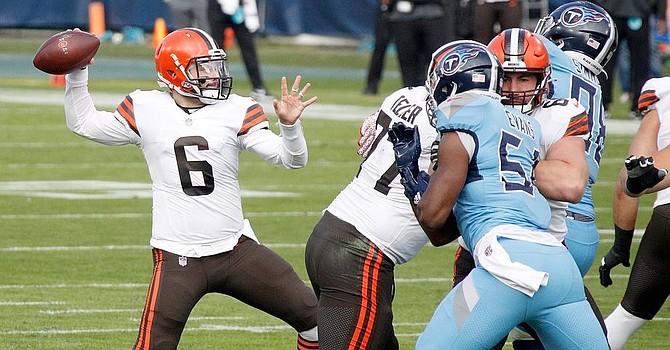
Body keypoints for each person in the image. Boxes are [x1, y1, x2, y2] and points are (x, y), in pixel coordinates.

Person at [62, 27, 319, 350]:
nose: (214, 75)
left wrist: (290, 126)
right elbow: (83, 123)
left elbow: (291, 160)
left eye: (215, 66)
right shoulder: (146, 107)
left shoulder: (236, 109)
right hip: (177, 256)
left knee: (317, 324)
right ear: (175, 71)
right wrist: (77, 70)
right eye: (203, 67)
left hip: (235, 250)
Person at [389, 39, 609, 350]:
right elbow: (444, 232)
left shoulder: (462, 113)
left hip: (504, 268)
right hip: (559, 267)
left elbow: (433, 216)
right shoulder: (527, 126)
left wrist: (413, 180)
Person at [450, 28, 599, 350]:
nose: (513, 89)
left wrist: (503, 159)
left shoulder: (561, 113)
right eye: (505, 78)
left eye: (524, 79)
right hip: (480, 256)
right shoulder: (468, 110)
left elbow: (571, 185)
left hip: (546, 255)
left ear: (542, 80)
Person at [304, 40, 450, 347]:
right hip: (360, 255)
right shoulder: (449, 127)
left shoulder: (403, 95)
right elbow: (439, 224)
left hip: (332, 230)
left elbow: (369, 141)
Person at [534, 0, 617, 278]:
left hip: (554, 220)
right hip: (583, 225)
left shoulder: (554, 62)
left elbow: (510, 43)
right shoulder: (592, 84)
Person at [598, 77, 670, 350]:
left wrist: (620, 246)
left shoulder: (662, 95)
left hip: (667, 221)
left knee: (624, 319)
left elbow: (630, 181)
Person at [593, 0, 666, 119]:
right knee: (605, 61)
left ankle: (637, 105)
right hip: (614, 11)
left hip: (637, 11)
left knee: (639, 62)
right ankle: (602, 103)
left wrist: (660, 14)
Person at [208, 0, 273, 100]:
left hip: (239, 7)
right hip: (218, 5)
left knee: (248, 48)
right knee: (216, 50)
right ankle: (217, 86)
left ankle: (258, 87)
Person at [386, 0, 455, 87]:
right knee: (407, 59)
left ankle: (439, 91)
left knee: (437, 59)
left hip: (432, 12)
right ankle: (410, 92)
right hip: (403, 14)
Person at [363, 0, 393, 95]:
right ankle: (372, 84)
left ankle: (413, 84)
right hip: (387, 8)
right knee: (379, 47)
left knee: (410, 50)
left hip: (408, 12)